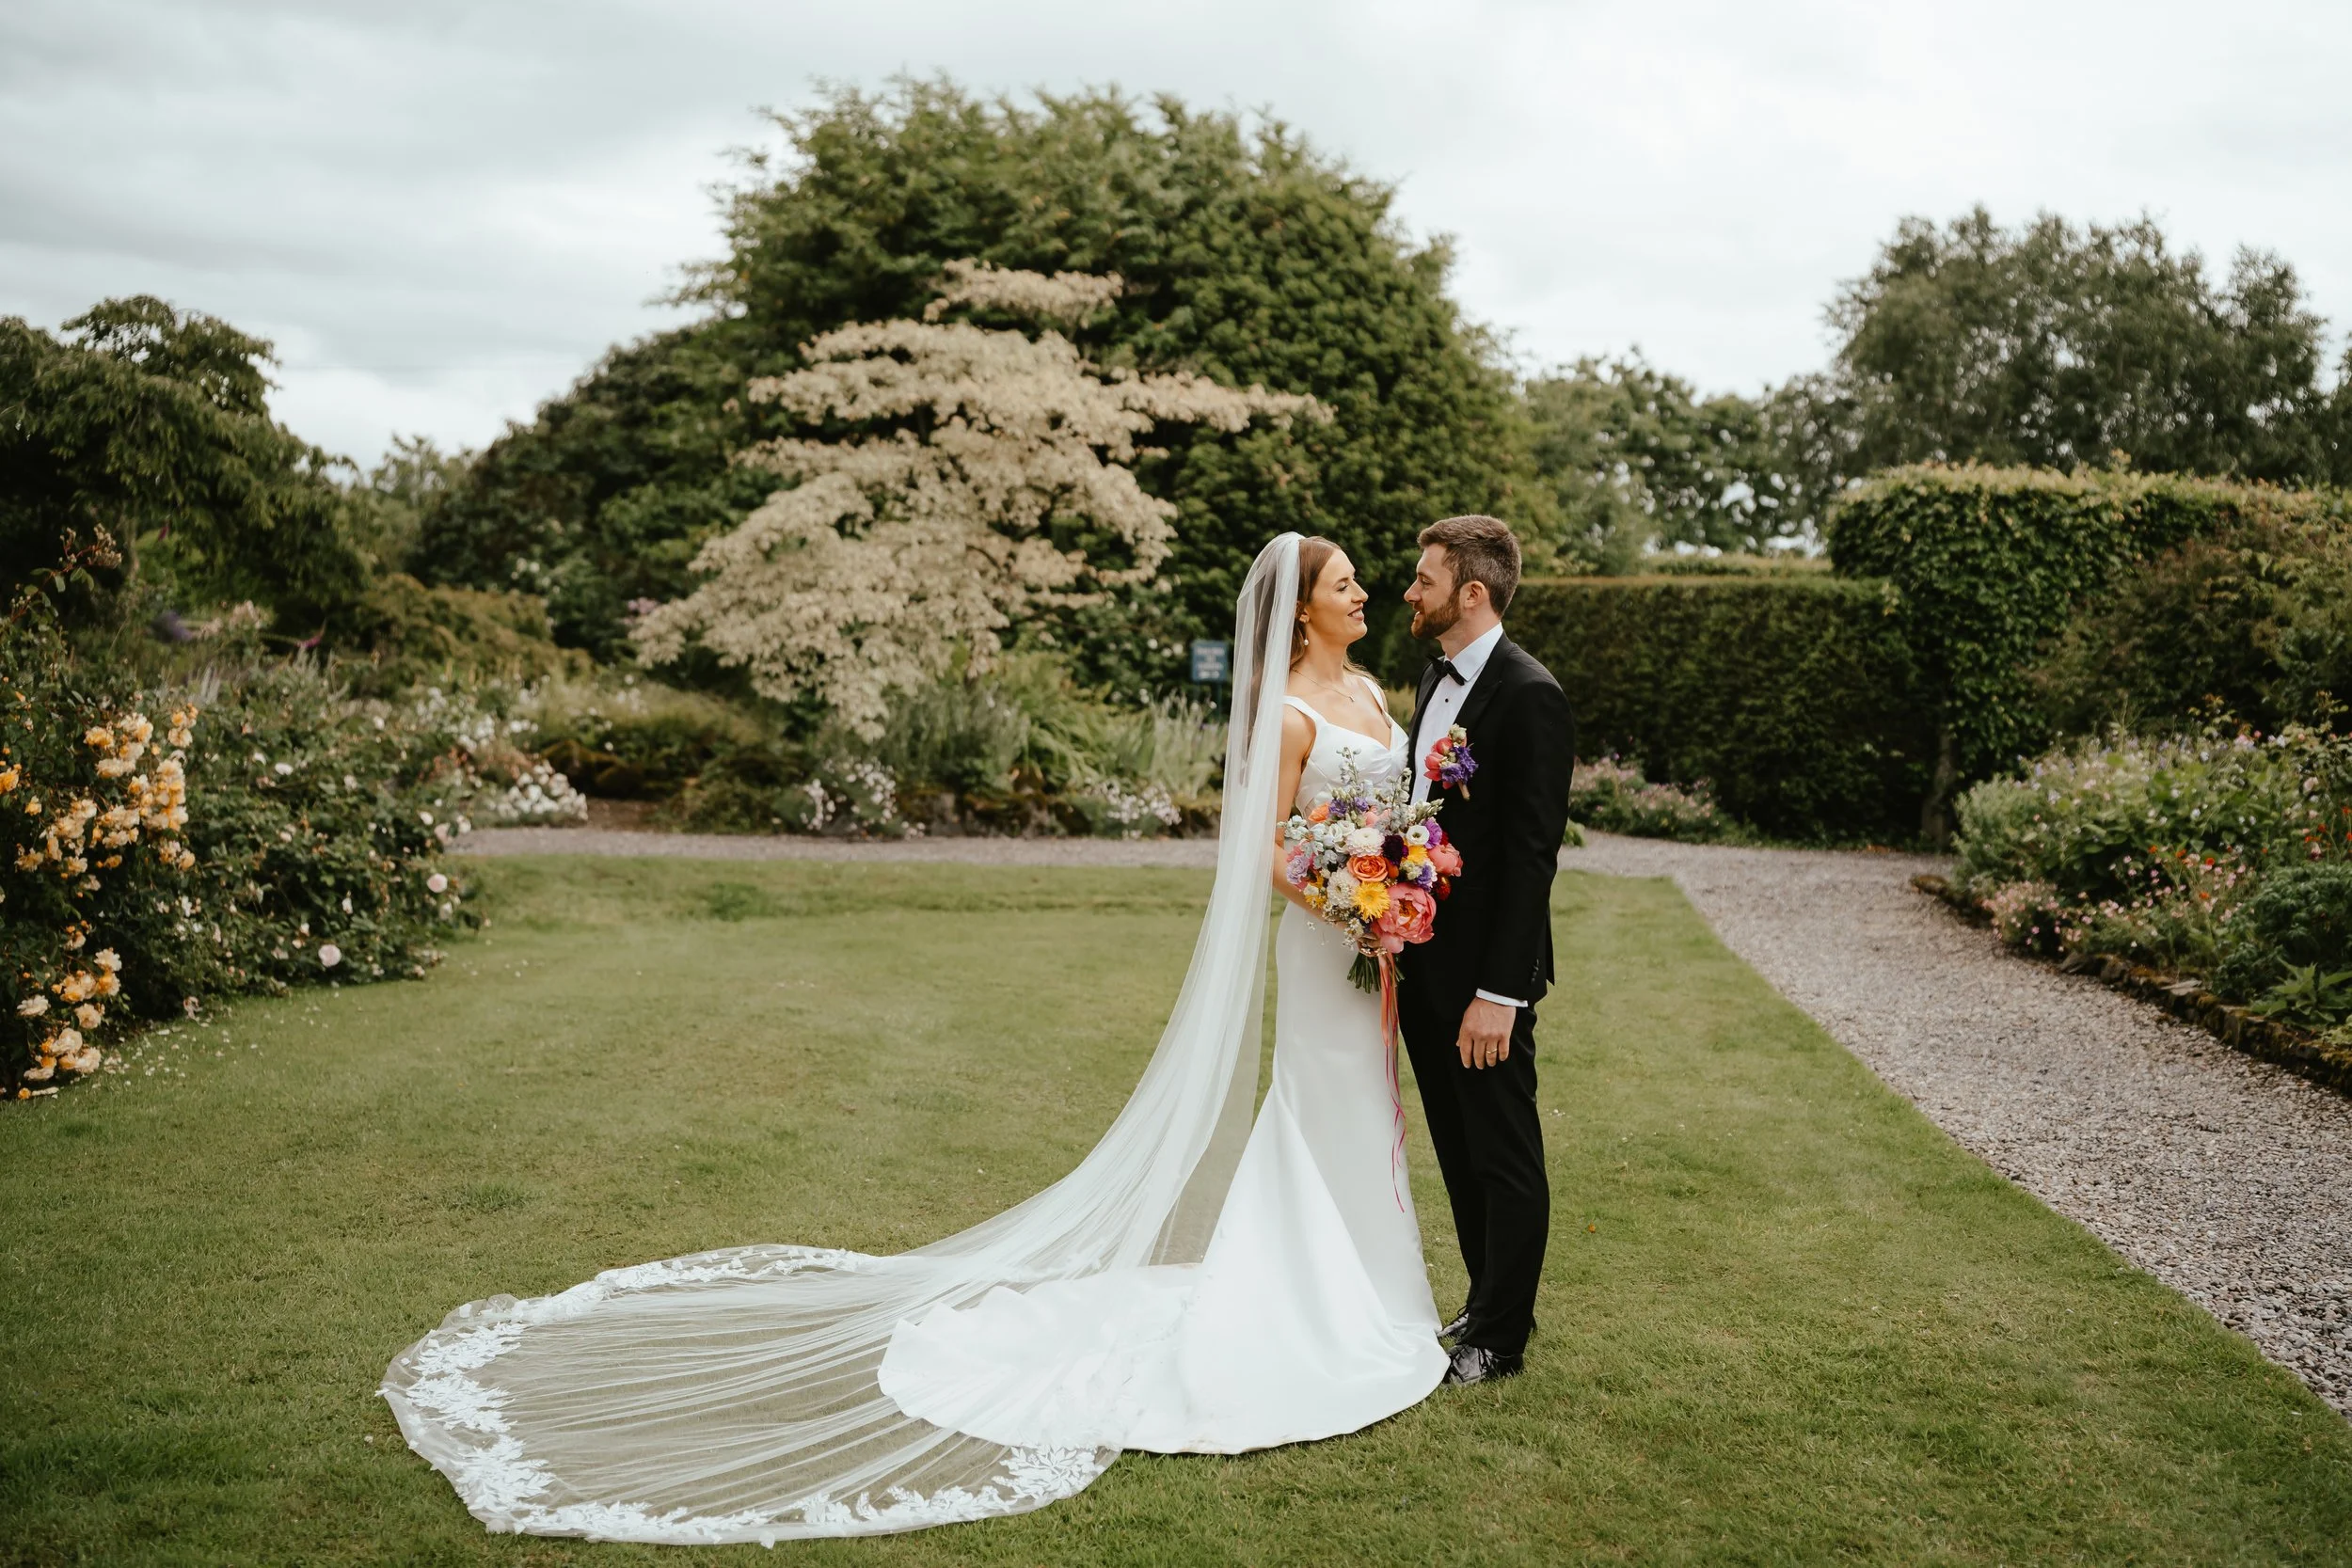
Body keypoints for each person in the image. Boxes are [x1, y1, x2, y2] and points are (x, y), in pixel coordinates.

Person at [379, 532, 1454, 1545]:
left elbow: (1391, 810)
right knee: (1319, 1101)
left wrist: (1399, 875)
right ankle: (1306, 1301)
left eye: (1362, 581)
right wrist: (1350, 901)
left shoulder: (1367, 689)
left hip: (1379, 934)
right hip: (1328, 941)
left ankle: (1376, 1290)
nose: (1363, 595)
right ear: (1300, 610)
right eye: (1345, 584)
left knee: (1369, 1107)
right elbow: (1260, 845)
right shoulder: (1282, 715)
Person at [1398, 515, 1577, 1386]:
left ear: (1471, 591)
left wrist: (1500, 993)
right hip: (1423, 962)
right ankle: (1482, 1296)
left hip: (1484, 984)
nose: (1410, 591)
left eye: (1425, 578)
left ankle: (1501, 1340)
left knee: (1504, 1153)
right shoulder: (1431, 677)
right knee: (1456, 1146)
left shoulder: (1529, 693)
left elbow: (1531, 855)